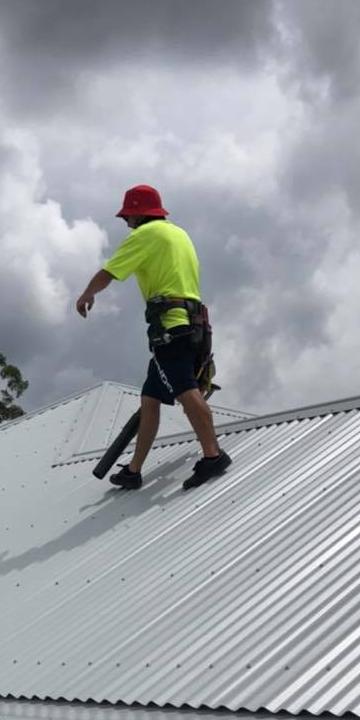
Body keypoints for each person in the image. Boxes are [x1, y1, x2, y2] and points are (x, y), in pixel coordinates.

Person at [76, 184, 232, 491]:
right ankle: (133, 471)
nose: (125, 223)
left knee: (187, 390)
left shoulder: (144, 236)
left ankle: (213, 455)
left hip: (171, 329)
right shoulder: (179, 234)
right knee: (150, 399)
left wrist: (86, 295)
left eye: (127, 216)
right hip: (193, 325)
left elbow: (108, 273)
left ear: (137, 214)